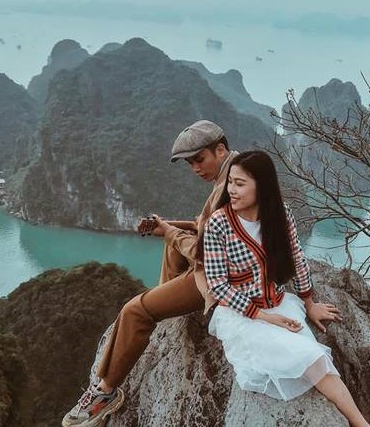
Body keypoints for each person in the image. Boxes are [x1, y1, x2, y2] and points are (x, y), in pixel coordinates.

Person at [62, 120, 238, 427]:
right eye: (190, 163)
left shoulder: (227, 188)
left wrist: (169, 230)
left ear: (220, 150)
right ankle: (164, 306)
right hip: (225, 265)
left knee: (134, 311)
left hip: (218, 278)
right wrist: (171, 226)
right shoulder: (240, 173)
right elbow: (210, 231)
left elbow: (202, 252)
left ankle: (105, 393)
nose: (195, 168)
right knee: (171, 244)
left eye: (199, 159)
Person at [203, 150, 370, 427]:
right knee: (307, 355)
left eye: (240, 183)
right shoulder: (218, 224)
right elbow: (218, 286)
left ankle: (360, 423)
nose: (231, 190)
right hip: (243, 316)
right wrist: (266, 317)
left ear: (262, 186)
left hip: (280, 304)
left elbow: (296, 259)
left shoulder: (280, 216)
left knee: (315, 359)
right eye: (230, 182)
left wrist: (309, 302)